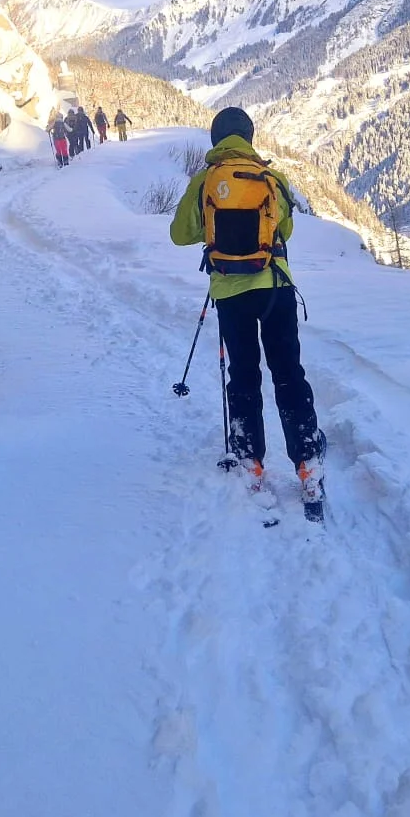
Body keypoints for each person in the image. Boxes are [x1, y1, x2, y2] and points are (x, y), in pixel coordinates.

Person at [169, 107, 325, 518]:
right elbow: (284, 231)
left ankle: (250, 462)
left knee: (244, 375)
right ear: (250, 138)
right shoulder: (272, 178)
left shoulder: (206, 180)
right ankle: (308, 466)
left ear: (216, 139)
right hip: (275, 287)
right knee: (288, 373)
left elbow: (179, 234)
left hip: (231, 294)